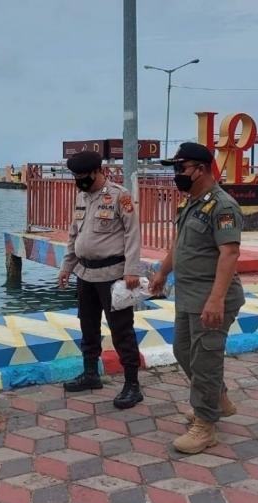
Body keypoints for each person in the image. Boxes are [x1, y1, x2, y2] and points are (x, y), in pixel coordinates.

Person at [150, 142, 245, 454]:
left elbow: (229, 253)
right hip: (188, 295)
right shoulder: (191, 203)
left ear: (201, 169)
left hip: (212, 297)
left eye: (181, 168)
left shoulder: (223, 205)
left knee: (205, 359)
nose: (177, 175)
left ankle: (205, 425)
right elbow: (179, 244)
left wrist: (216, 299)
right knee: (182, 349)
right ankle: (217, 398)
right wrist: (162, 273)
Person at [58, 151, 144, 409]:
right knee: (87, 325)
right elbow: (75, 234)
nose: (79, 181)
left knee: (121, 329)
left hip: (113, 275)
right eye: (76, 177)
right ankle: (90, 374)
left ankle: (132, 385)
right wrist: (66, 267)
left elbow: (132, 234)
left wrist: (132, 270)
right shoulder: (81, 197)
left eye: (83, 176)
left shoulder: (120, 196)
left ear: (98, 171)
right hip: (85, 274)